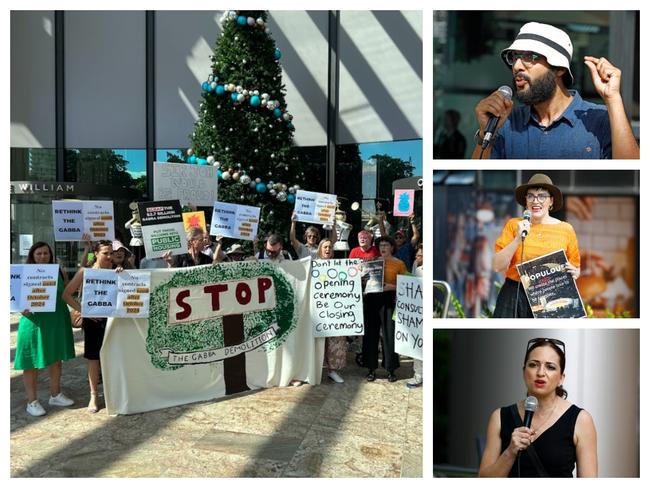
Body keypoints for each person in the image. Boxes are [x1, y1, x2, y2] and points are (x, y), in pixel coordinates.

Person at [472, 22, 639, 159]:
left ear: (559, 69)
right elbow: (479, 180)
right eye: (514, 57)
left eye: (529, 57)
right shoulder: (507, 123)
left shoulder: (600, 119)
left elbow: (635, 175)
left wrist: (613, 99)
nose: (516, 66)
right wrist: (486, 133)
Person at [478, 338, 598, 477]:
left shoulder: (580, 420)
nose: (541, 372)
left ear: (561, 378)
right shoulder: (500, 417)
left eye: (550, 367)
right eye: (533, 365)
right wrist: (510, 451)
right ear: (524, 372)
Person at [492, 174, 580, 318]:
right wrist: (517, 240)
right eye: (531, 196)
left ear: (551, 201)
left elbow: (576, 266)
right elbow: (497, 266)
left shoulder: (566, 229)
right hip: (515, 293)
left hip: (551, 295)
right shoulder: (514, 225)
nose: (535, 201)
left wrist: (575, 273)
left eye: (541, 196)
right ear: (526, 201)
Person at [14, 242, 76, 416]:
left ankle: (55, 394)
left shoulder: (59, 271)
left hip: (56, 321)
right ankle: (31, 401)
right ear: (32, 255)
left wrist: (86, 251)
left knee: (56, 359)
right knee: (31, 362)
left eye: (46, 253)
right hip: (33, 322)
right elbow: (11, 296)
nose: (43, 256)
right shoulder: (23, 273)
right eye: (39, 253)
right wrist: (19, 308)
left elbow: (67, 291)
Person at [63, 240, 121, 413]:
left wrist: (122, 275)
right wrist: (85, 311)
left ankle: (113, 394)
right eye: (105, 253)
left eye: (111, 253)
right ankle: (94, 395)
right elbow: (66, 295)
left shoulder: (115, 272)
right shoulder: (84, 272)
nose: (109, 256)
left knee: (111, 356)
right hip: (93, 322)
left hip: (111, 320)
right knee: (93, 358)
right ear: (96, 253)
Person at [363, 236, 407, 382]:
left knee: (389, 335)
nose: (383, 248)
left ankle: (391, 369)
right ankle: (371, 369)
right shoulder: (372, 262)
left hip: (389, 300)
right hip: (372, 300)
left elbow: (406, 284)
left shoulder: (399, 264)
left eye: (386, 245)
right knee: (370, 334)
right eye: (381, 245)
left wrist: (391, 287)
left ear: (392, 247)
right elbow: (363, 280)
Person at [316, 238, 347, 384]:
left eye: (330, 247)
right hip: (318, 310)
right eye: (325, 247)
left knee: (335, 341)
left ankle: (332, 371)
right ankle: (314, 370)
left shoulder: (339, 266)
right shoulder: (313, 266)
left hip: (335, 309)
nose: (327, 249)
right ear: (320, 249)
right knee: (317, 341)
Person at [407, 244, 423, 388]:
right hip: (417, 311)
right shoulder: (417, 269)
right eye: (416, 256)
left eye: (420, 256)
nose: (417, 258)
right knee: (418, 344)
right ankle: (418, 375)